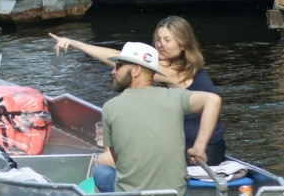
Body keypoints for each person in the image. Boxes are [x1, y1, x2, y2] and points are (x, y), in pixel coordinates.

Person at [49, 15, 227, 164]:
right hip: (188, 146)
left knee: (105, 160)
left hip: (198, 155)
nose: (160, 44)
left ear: (182, 45)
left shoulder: (175, 72)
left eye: (167, 40)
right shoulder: (173, 65)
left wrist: (78, 45)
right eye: (158, 39)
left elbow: (121, 59)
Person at [92, 42, 221, 196]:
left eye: (119, 66)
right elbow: (213, 100)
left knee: (101, 171)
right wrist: (199, 147)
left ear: (136, 71)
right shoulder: (175, 97)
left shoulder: (110, 107)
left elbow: (119, 162)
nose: (113, 71)